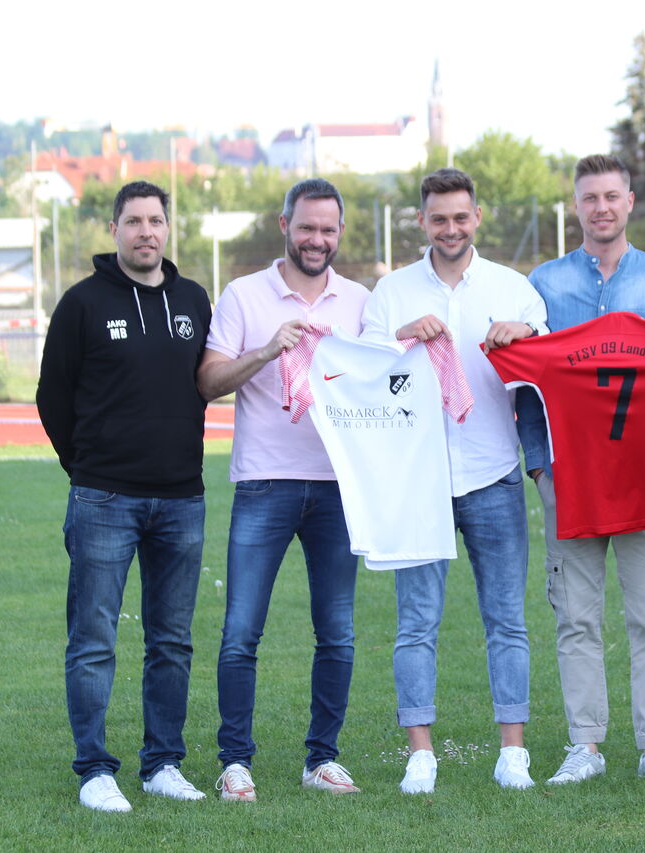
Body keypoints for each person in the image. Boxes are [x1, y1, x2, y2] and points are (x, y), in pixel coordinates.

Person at [360, 168, 547, 794]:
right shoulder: (390, 293)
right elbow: (361, 373)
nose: (450, 228)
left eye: (460, 217)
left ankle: (513, 752)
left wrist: (527, 335)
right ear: (422, 221)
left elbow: (549, 362)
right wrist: (399, 339)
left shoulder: (513, 288)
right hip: (419, 480)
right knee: (416, 622)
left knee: (507, 620)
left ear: (477, 217)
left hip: (492, 473)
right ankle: (420, 753)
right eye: (438, 218)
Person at [518, 154, 645, 786]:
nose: (601, 207)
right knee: (576, 617)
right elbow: (528, 384)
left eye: (611, 196)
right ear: (576, 205)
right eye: (590, 197)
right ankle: (585, 745)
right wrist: (539, 467)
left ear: (629, 202)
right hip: (569, 479)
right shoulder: (543, 282)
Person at [37, 181, 212, 812]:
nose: (146, 232)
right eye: (133, 221)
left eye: (155, 221)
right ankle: (94, 770)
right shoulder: (82, 303)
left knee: (172, 641)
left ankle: (162, 763)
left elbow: (204, 380)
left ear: (168, 228)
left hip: (182, 500)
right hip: (104, 499)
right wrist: (84, 467)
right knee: (93, 640)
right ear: (114, 230)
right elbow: (52, 396)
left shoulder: (193, 299)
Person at [197, 179, 369, 801]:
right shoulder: (244, 295)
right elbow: (209, 381)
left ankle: (322, 759)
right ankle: (234, 762)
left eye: (327, 229)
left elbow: (381, 378)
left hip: (337, 488)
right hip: (264, 482)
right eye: (306, 228)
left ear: (340, 232)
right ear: (284, 226)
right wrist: (268, 350)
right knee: (242, 631)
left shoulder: (359, 301)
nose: (316, 240)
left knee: (337, 632)